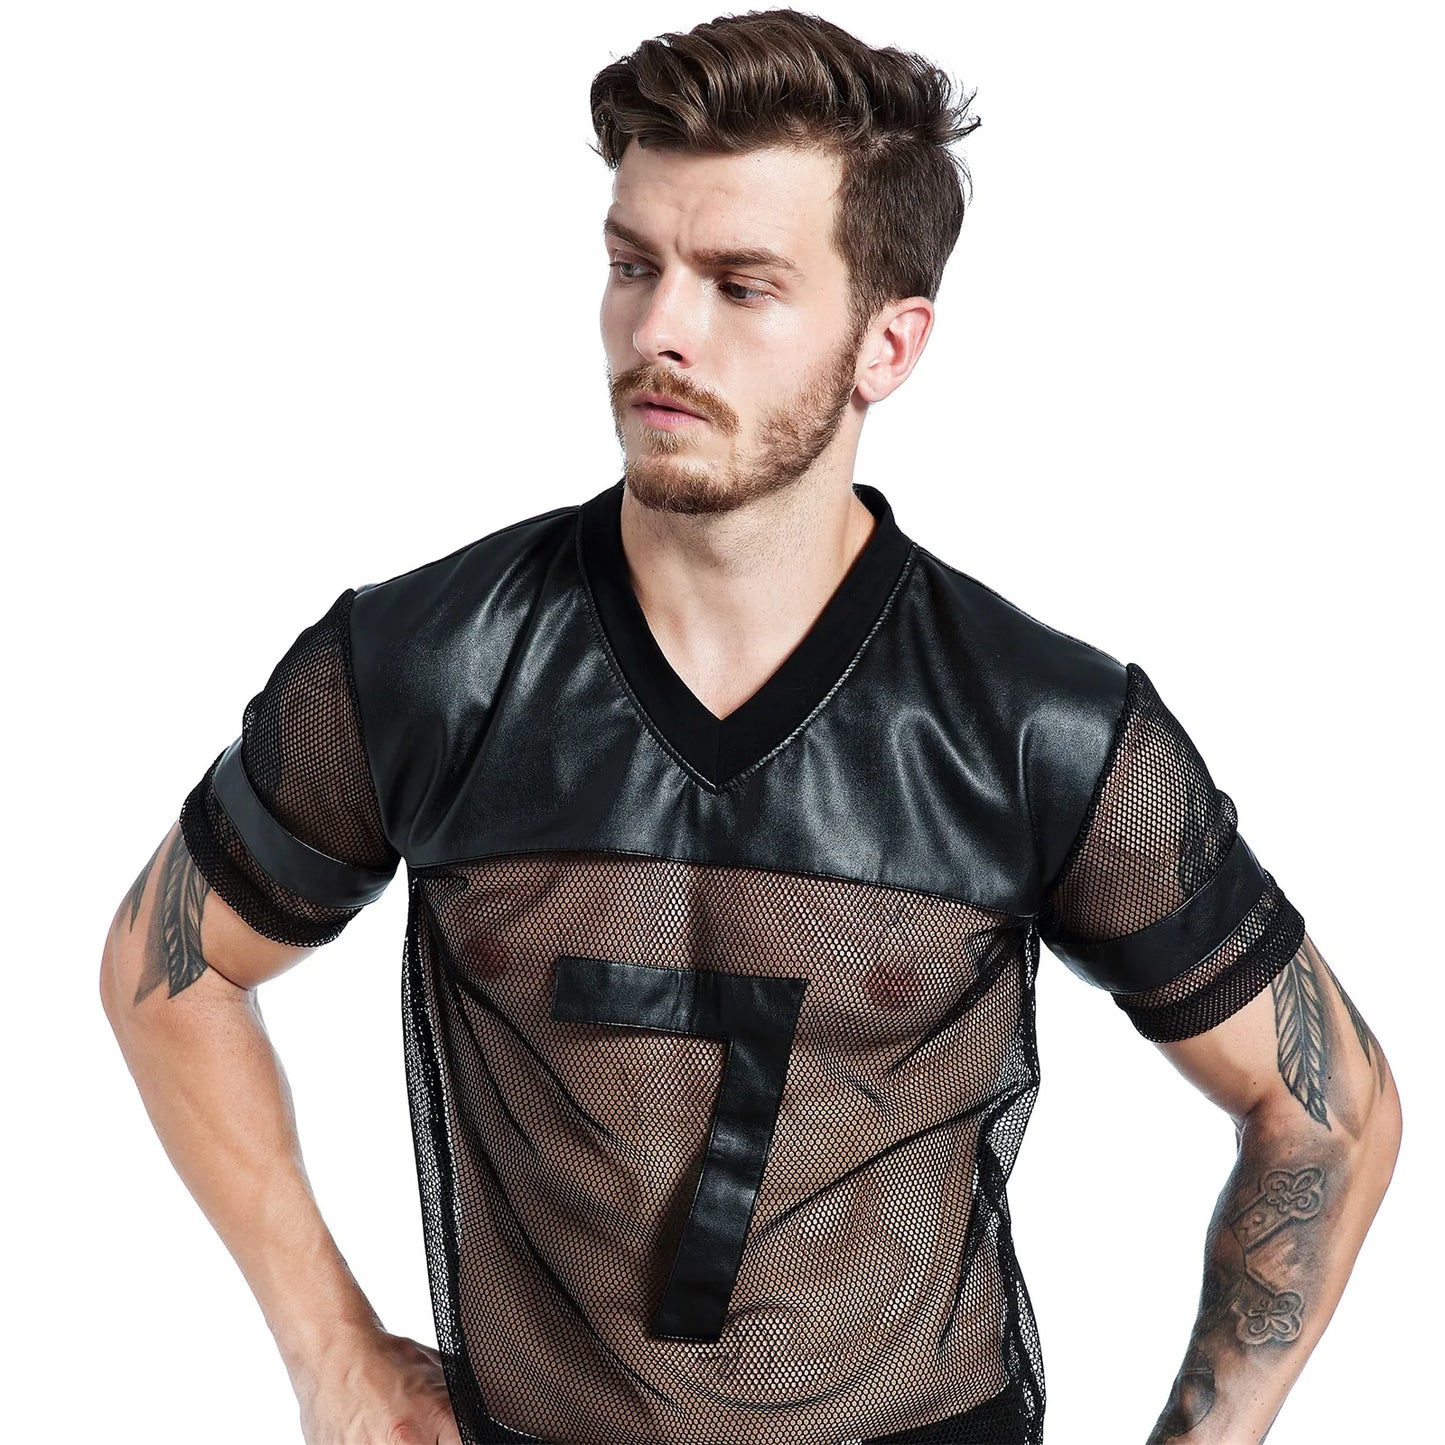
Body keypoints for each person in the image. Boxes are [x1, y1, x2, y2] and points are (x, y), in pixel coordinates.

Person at [99, 9, 1401, 1443]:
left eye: (740, 284)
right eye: (632, 265)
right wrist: (328, 1352)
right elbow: (168, 971)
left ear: (887, 344)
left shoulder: (1040, 728)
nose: (660, 330)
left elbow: (1327, 1109)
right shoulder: (426, 665)